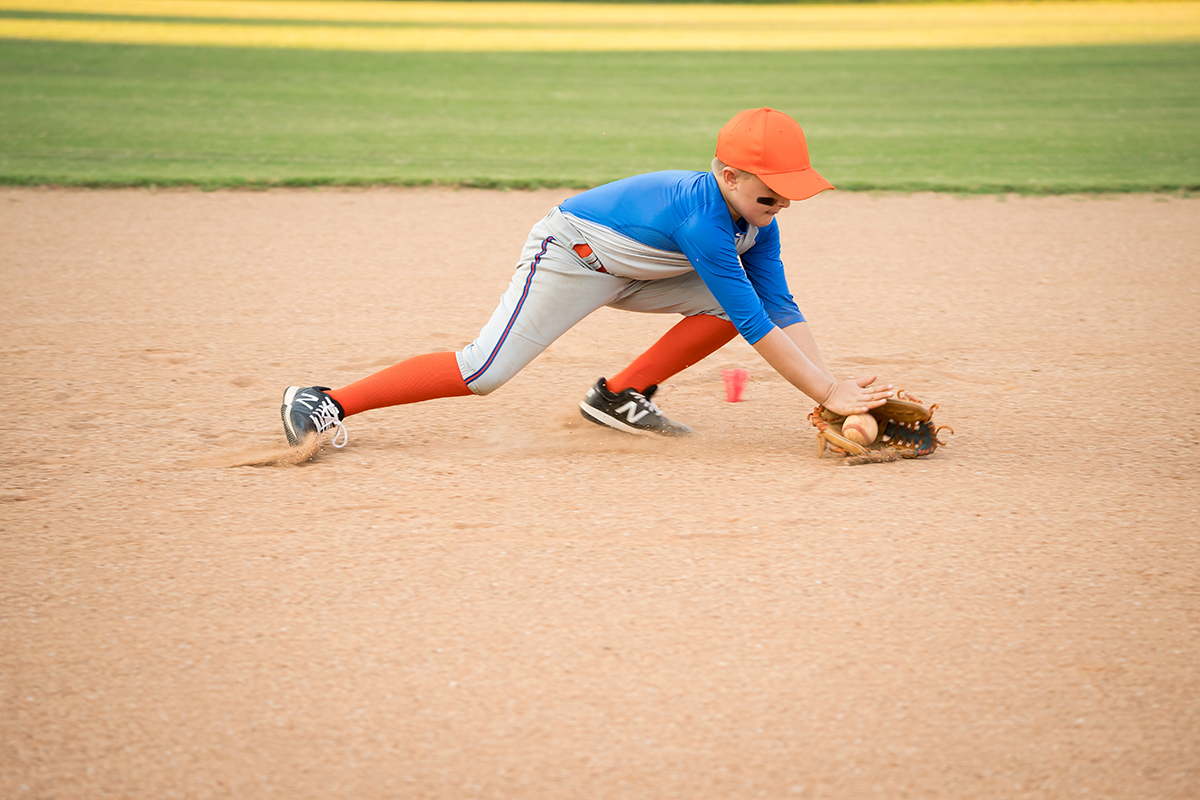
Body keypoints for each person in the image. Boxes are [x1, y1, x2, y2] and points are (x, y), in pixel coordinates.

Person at [280, 107, 893, 450]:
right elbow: (760, 326)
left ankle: (617, 396)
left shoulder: (758, 222)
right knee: (482, 372)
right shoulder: (704, 219)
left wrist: (834, 388)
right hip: (572, 258)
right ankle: (326, 402)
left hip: (642, 269)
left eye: (791, 191)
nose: (784, 202)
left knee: (734, 303)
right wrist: (824, 395)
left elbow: (779, 306)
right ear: (729, 177)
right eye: (773, 189)